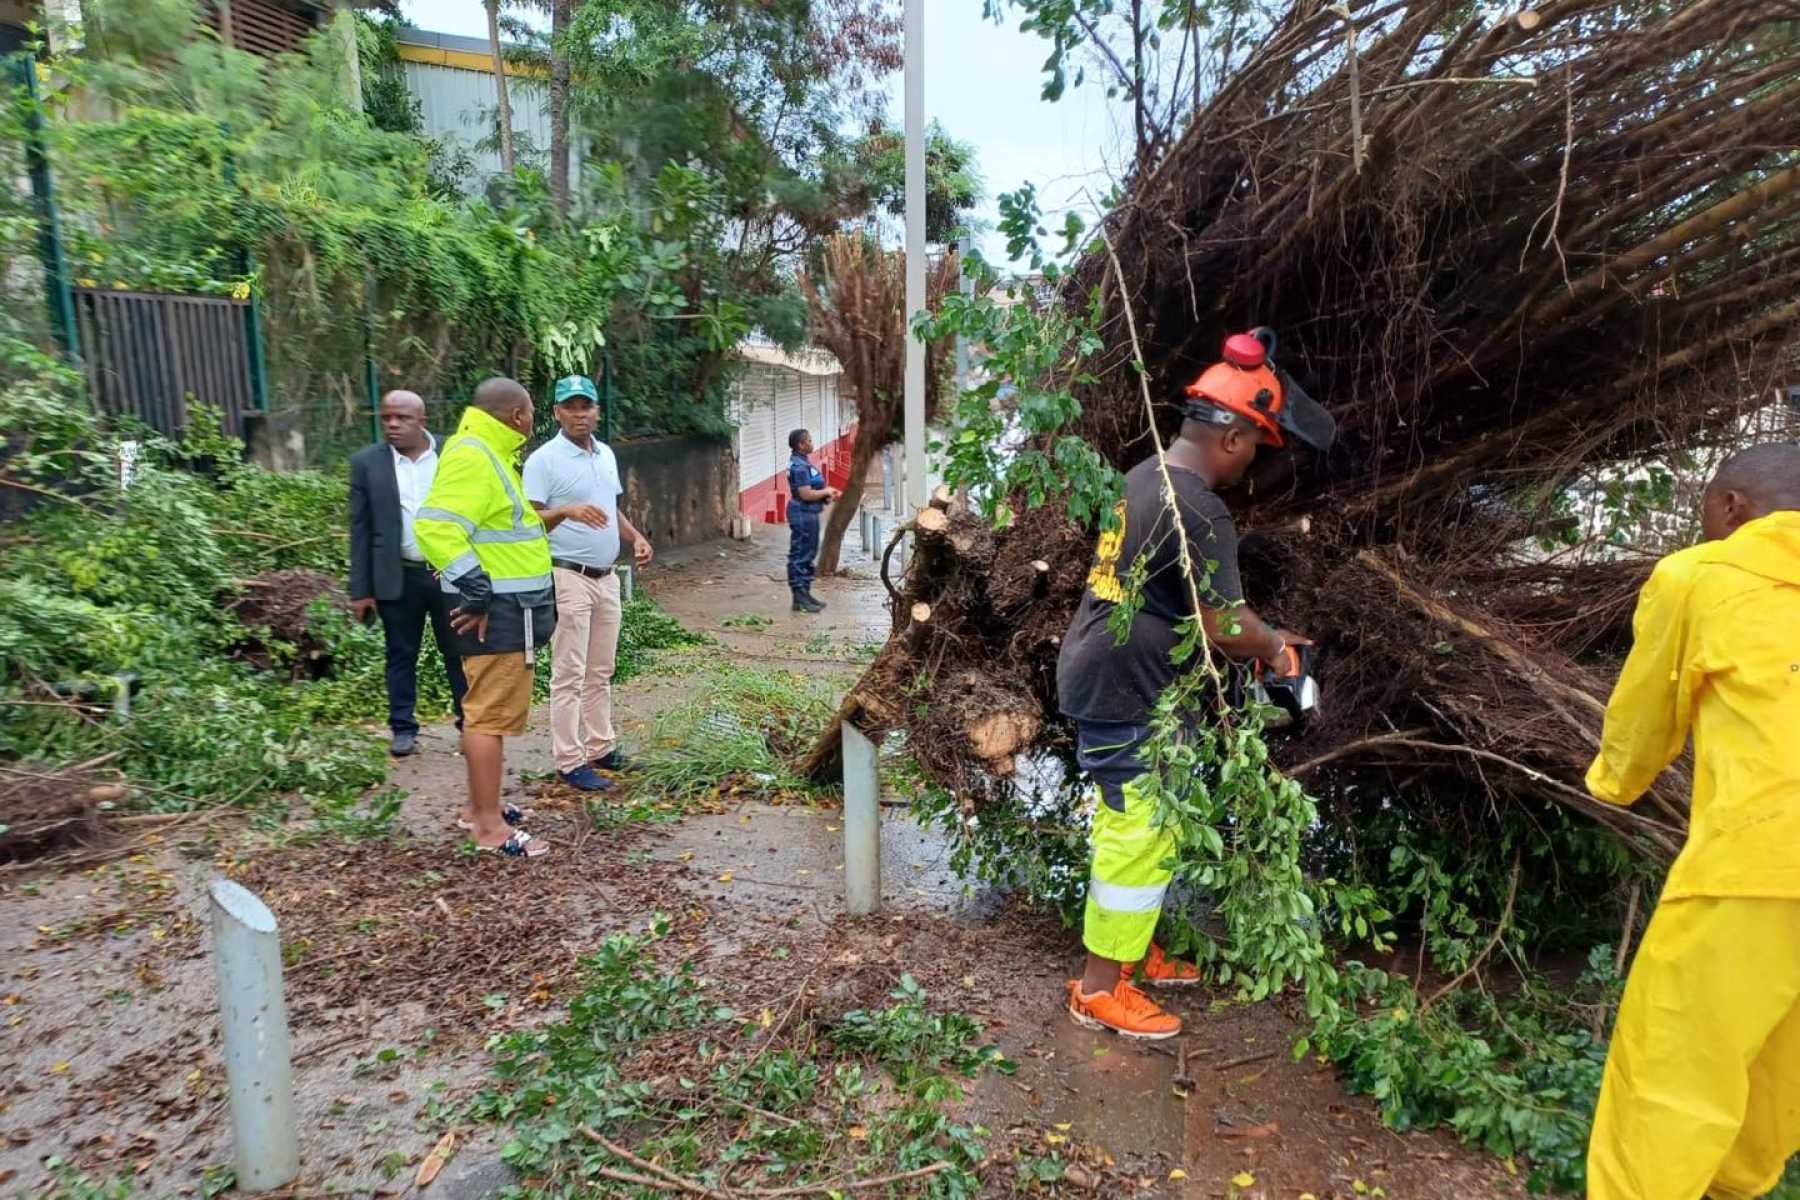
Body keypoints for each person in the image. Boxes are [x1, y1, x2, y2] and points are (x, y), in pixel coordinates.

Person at [1055, 329, 1335, 1040]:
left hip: (1123, 675)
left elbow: (1190, 603)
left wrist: (1266, 635)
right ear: (1234, 439)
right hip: (1126, 689)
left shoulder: (1146, 475)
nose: (1250, 468)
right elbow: (1220, 625)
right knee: (1136, 834)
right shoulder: (1199, 509)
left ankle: (1129, 951)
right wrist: (1272, 651)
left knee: (1153, 824)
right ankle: (1096, 991)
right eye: (1257, 449)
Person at [1583, 442, 1800, 1200]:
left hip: (1757, 867)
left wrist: (1611, 783)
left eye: (1707, 508)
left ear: (1734, 506)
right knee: (1778, 1075)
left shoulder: (1701, 575)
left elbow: (1644, 721)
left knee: (1672, 1069)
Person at [415, 377, 557, 859]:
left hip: (508, 611)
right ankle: (489, 828)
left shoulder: (489, 453)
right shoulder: (475, 455)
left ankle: (483, 806)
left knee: (487, 714)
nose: (533, 420)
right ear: (517, 415)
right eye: (531, 412)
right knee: (487, 718)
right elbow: (435, 526)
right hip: (496, 614)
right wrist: (474, 589)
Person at [522, 375, 654, 793]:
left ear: (597, 410)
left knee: (601, 669)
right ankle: (569, 759)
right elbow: (528, 519)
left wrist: (636, 537)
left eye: (587, 407)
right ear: (557, 413)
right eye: (571, 407)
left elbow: (609, 509)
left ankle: (600, 746)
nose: (580, 414)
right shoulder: (543, 460)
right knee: (569, 673)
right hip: (568, 576)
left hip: (606, 576)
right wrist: (567, 511)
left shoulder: (606, 455)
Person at [347, 390, 468, 757]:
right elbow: (361, 529)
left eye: (402, 418)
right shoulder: (367, 463)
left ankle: (470, 724)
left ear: (422, 420)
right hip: (397, 575)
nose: (393, 424)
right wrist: (361, 589)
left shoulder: (455, 454)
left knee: (459, 652)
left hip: (450, 572)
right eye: (387, 418)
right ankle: (403, 728)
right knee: (400, 653)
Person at [786, 429, 840, 614]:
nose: (812, 443)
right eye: (809, 440)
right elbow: (805, 493)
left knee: (808, 553)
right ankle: (799, 597)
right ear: (801, 445)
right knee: (800, 554)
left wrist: (826, 495)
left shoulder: (803, 462)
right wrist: (825, 492)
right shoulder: (799, 466)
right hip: (802, 513)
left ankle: (805, 594)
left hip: (809, 512)